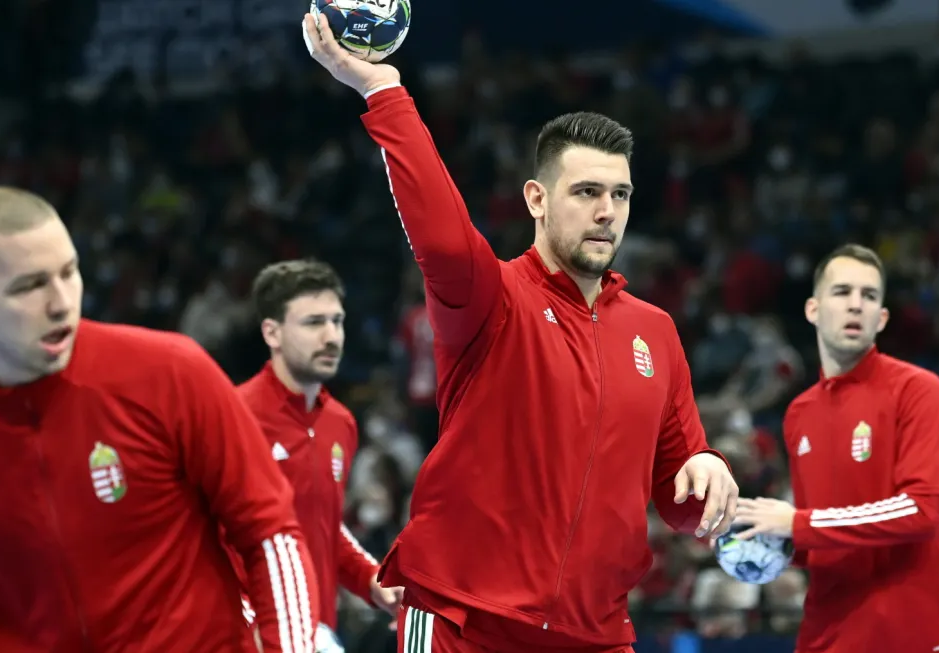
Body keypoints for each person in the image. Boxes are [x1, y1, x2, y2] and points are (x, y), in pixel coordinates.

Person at [301, 14, 738, 653]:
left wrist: (707, 469)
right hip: (459, 617)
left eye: (620, 195)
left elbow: (677, 499)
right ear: (536, 199)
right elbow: (444, 239)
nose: (606, 212)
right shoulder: (492, 298)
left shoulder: (656, 332)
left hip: (594, 634)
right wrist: (384, 91)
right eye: (586, 191)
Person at [0, 186, 321, 653]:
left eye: (69, 272)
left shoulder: (172, 373)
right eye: (29, 286)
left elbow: (271, 533)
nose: (61, 302)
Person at [733, 244, 939, 653]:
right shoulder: (798, 414)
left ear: (882, 319)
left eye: (869, 296)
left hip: (909, 635)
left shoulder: (918, 390)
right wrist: (763, 539)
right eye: (842, 293)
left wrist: (798, 525)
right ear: (812, 310)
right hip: (828, 633)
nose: (856, 305)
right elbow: (821, 533)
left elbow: (923, 508)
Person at [235, 259, 404, 632]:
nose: (331, 337)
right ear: (272, 333)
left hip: (319, 628)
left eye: (337, 321)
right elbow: (211, 544)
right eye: (313, 323)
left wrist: (372, 582)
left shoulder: (340, 423)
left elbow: (325, 526)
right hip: (252, 636)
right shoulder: (235, 418)